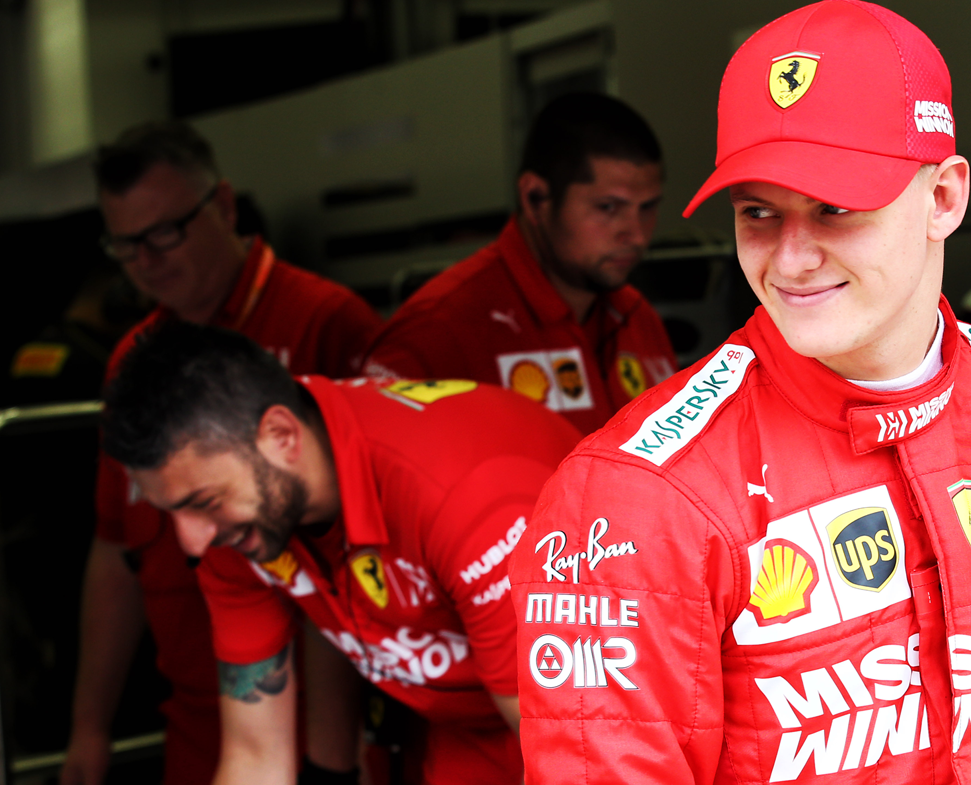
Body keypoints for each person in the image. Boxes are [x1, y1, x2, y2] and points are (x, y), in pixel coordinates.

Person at [509, 2, 971, 783]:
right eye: (759, 213)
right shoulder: (636, 494)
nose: (793, 259)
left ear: (944, 197)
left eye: (835, 208)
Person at [99, 322, 582, 785]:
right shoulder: (239, 520)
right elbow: (255, 756)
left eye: (201, 503)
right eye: (172, 513)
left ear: (281, 436)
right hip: (472, 731)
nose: (191, 542)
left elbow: (571, 754)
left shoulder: (463, 498)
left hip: (592, 722)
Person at [63, 121, 383, 785]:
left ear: (225, 207)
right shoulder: (135, 364)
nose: (145, 260)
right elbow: (116, 549)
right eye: (125, 245)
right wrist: (88, 728)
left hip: (329, 729)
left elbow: (375, 550)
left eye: (162, 233)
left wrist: (338, 761)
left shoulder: (327, 323)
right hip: (199, 717)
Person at [363, 92, 678, 435]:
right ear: (535, 198)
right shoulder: (439, 332)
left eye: (647, 207)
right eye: (608, 208)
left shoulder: (639, 319)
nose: (635, 234)